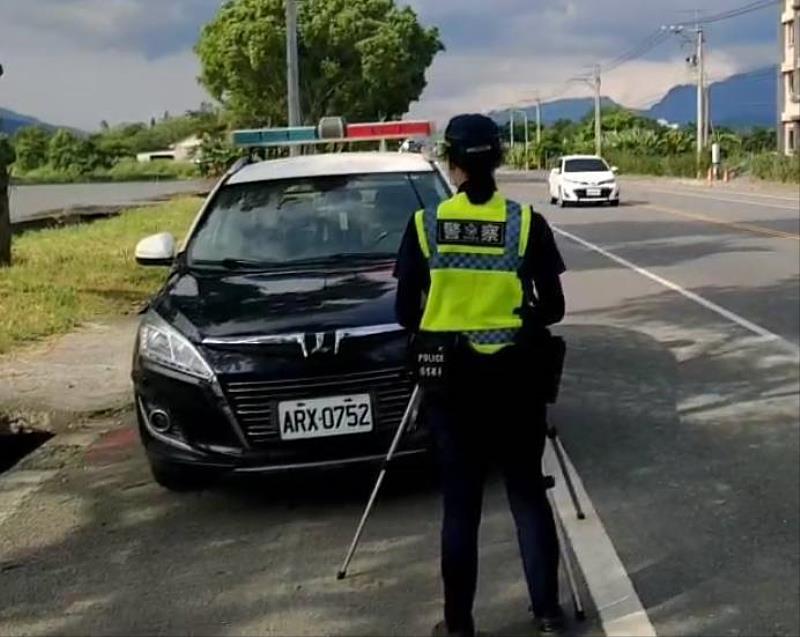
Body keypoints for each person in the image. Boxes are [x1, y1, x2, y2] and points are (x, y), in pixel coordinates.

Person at [394, 114, 568, 636]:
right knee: (527, 494)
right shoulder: (525, 222)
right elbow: (554, 307)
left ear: (451, 164)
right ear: (499, 159)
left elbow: (406, 313)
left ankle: (458, 626)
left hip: (452, 387)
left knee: (461, 506)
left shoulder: (425, 225)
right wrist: (516, 318)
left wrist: (448, 317)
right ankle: (549, 616)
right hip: (516, 383)